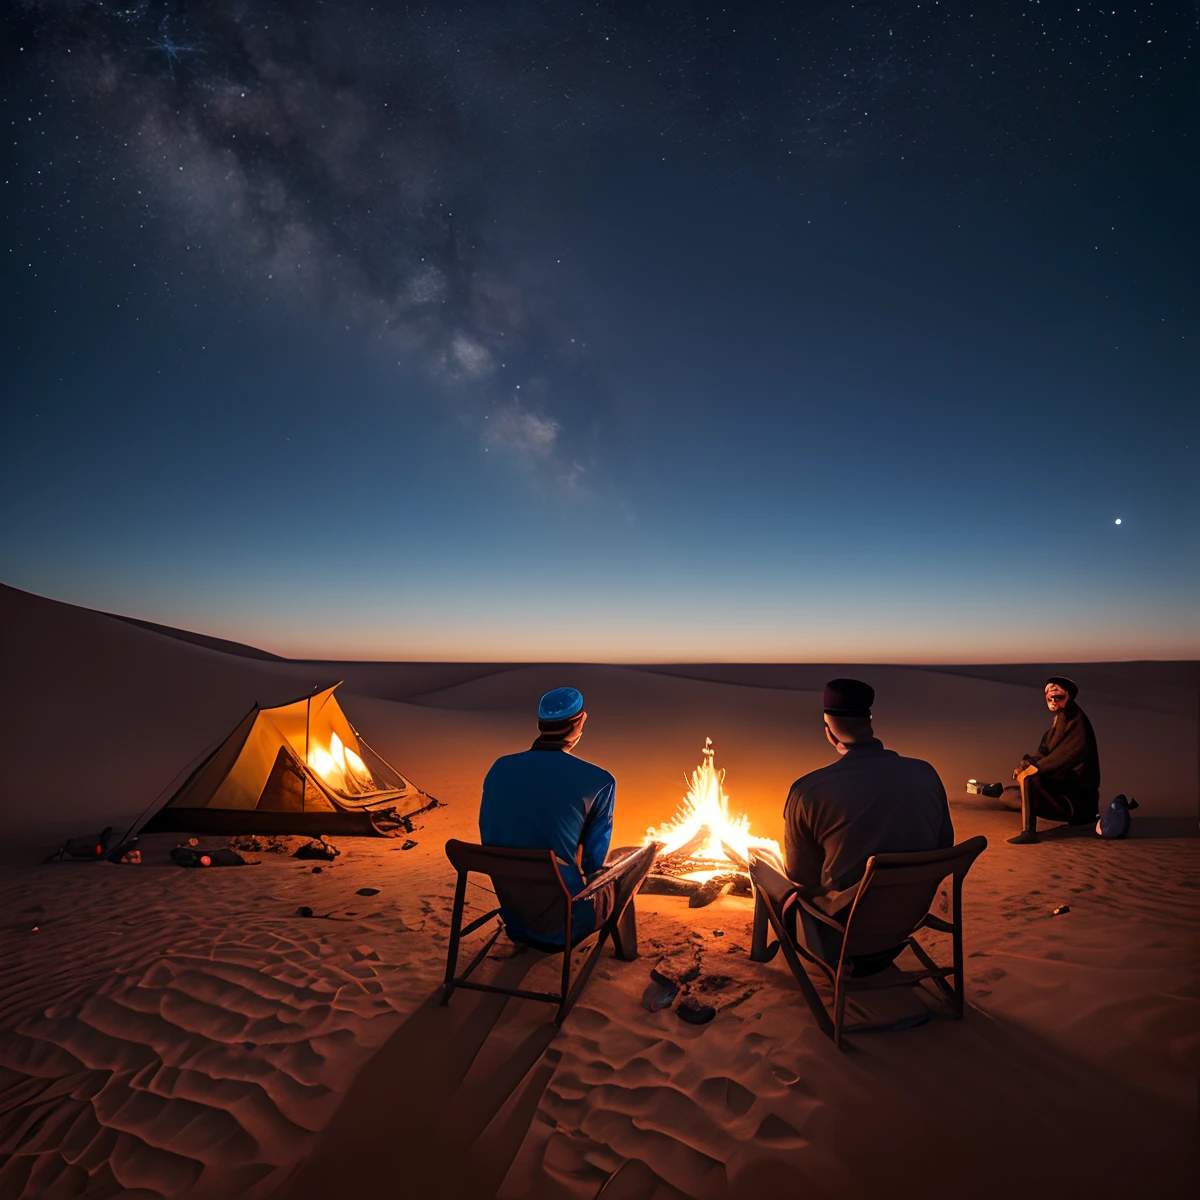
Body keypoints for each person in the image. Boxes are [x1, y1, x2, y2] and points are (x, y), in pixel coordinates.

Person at [780, 678, 954, 974]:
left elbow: (801, 878)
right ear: (869, 720)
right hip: (910, 918)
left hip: (843, 931)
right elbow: (944, 846)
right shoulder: (926, 774)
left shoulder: (808, 791)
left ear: (829, 731)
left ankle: (767, 958)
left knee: (764, 873)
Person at [478, 686, 616, 946]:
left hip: (515, 914)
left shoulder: (500, 767)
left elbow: (491, 833)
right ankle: (627, 954)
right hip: (566, 922)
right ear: (578, 723)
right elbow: (593, 864)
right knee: (624, 875)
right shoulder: (599, 781)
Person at [1007, 676, 1100, 844]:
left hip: (1078, 798)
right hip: (1062, 787)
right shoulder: (1054, 730)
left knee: (1029, 778)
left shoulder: (1078, 724)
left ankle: (1029, 832)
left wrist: (1037, 768)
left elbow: (1067, 755)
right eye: (1050, 697)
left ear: (1069, 697)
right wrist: (1025, 765)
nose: (1053, 700)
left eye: (1058, 696)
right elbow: (1044, 753)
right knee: (1011, 791)